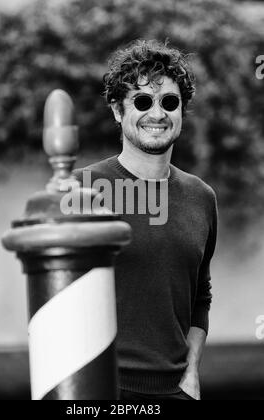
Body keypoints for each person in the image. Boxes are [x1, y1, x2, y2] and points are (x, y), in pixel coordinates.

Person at [73, 39, 218, 401]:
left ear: (182, 111)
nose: (158, 113)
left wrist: (192, 370)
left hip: (178, 392)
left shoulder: (202, 197)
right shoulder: (83, 189)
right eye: (142, 101)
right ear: (117, 111)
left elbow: (201, 294)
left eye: (170, 102)